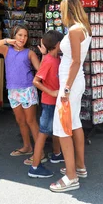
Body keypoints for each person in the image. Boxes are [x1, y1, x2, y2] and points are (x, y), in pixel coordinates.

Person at [50, 0, 91, 193]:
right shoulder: (83, 28)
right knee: (74, 123)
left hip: (70, 84)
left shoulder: (75, 31)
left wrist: (65, 88)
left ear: (68, 10)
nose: (60, 14)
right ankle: (79, 167)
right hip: (75, 82)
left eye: (61, 10)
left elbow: (75, 61)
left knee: (63, 127)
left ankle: (71, 177)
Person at [0, 25, 41, 158]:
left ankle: (40, 152)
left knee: (31, 121)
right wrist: (6, 40)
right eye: (20, 35)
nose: (23, 38)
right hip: (12, 90)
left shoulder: (29, 53)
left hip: (27, 90)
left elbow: (40, 70)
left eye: (25, 36)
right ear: (14, 35)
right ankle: (27, 146)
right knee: (20, 120)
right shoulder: (7, 50)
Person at [27, 30, 64, 178]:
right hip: (49, 102)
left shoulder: (57, 59)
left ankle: (56, 154)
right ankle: (35, 167)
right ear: (58, 44)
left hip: (56, 101)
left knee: (57, 129)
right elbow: (36, 81)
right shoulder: (49, 60)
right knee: (43, 133)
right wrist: (52, 92)